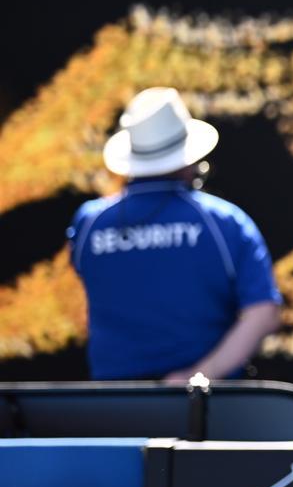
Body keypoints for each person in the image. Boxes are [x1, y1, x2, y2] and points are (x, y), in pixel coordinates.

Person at [67, 87, 282, 382]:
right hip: (209, 413)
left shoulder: (88, 224)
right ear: (189, 157)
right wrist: (197, 377)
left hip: (114, 410)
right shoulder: (225, 222)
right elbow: (263, 314)